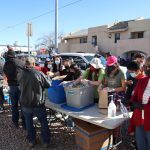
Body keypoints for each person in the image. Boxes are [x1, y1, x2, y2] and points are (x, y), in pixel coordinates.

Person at [18, 57, 51, 148]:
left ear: (26, 64)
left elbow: (19, 84)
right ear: (33, 64)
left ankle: (32, 141)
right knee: (43, 122)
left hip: (25, 103)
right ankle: (46, 141)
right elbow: (48, 85)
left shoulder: (20, 74)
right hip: (37, 103)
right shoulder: (38, 73)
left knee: (29, 123)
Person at [128, 56, 150, 150]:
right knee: (140, 147)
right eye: (146, 66)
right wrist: (131, 103)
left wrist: (142, 107)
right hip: (139, 122)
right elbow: (133, 99)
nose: (147, 69)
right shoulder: (142, 81)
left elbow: (139, 105)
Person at [3, 50, 25, 128]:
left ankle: (15, 122)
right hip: (20, 86)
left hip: (12, 86)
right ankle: (24, 123)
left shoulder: (6, 64)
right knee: (23, 105)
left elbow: (5, 72)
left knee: (14, 105)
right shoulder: (20, 62)